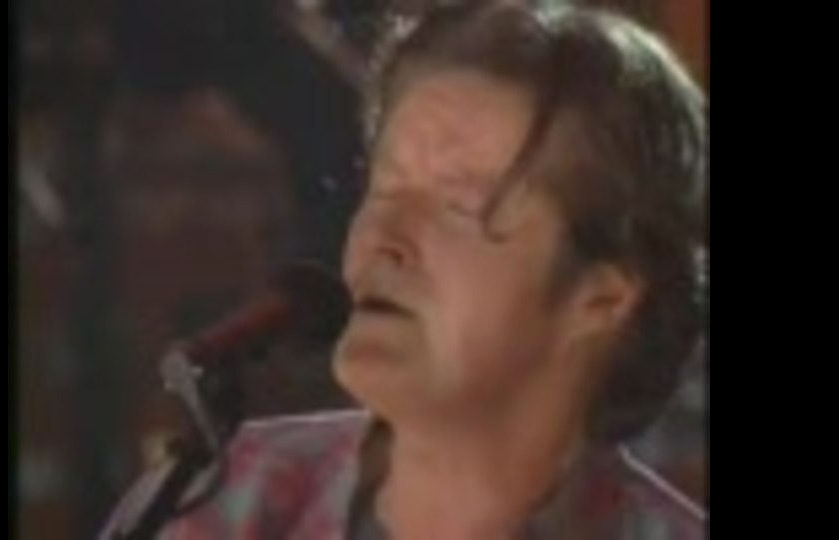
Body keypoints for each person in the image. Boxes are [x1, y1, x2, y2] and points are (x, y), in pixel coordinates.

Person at [101, 0, 708, 538]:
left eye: (456, 206)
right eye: (383, 189)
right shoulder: (214, 507)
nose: (382, 238)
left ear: (603, 298)